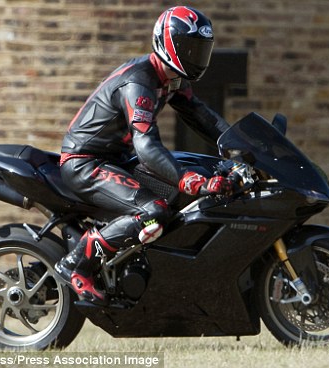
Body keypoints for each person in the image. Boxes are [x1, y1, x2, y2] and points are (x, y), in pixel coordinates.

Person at [55, 6, 234, 305]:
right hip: (85, 162)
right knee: (153, 211)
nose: (195, 55)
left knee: (178, 203)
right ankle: (77, 262)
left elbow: (203, 117)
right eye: (189, 47)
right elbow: (147, 147)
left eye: (201, 49)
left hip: (116, 159)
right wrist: (186, 179)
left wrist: (240, 145)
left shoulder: (170, 79)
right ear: (167, 44)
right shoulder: (140, 83)